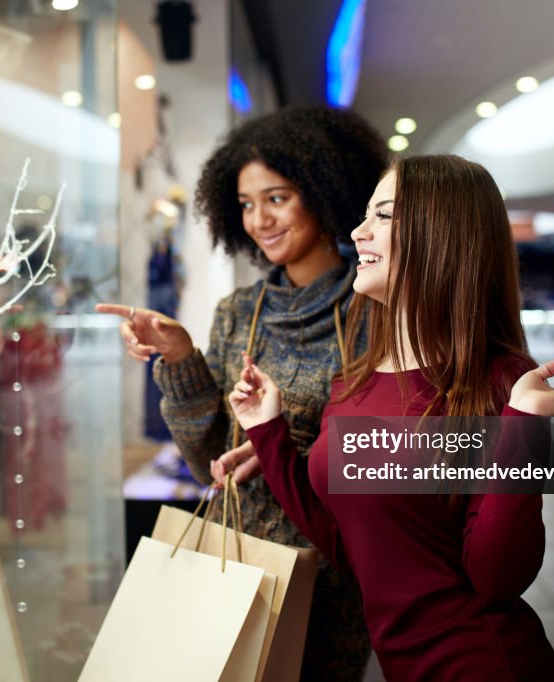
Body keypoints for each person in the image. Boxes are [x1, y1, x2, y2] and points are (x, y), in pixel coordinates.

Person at [222, 155, 554, 681]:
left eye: (382, 216)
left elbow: (496, 578)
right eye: (365, 216)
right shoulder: (354, 381)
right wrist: (266, 430)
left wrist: (522, 427)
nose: (358, 232)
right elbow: (351, 547)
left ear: (443, 235)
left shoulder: (501, 382)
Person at [97, 103, 387, 679]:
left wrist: (286, 451)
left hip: (335, 575)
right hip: (241, 568)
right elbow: (209, 460)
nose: (260, 220)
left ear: (326, 192)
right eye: (246, 205)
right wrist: (179, 358)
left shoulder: (374, 313)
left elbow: (395, 458)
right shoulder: (238, 314)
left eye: (276, 198)